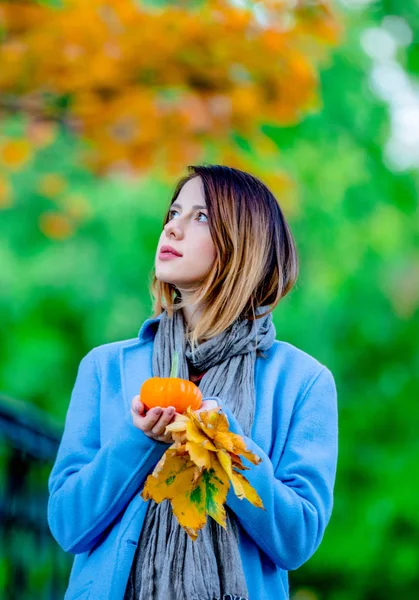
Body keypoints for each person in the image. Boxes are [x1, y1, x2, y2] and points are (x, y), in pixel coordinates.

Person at [47, 164, 338, 600]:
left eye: (200, 216)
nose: (173, 229)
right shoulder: (105, 367)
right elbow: (68, 526)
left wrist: (225, 444)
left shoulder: (303, 382)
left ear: (245, 245)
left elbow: (296, 540)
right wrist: (139, 441)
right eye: (173, 213)